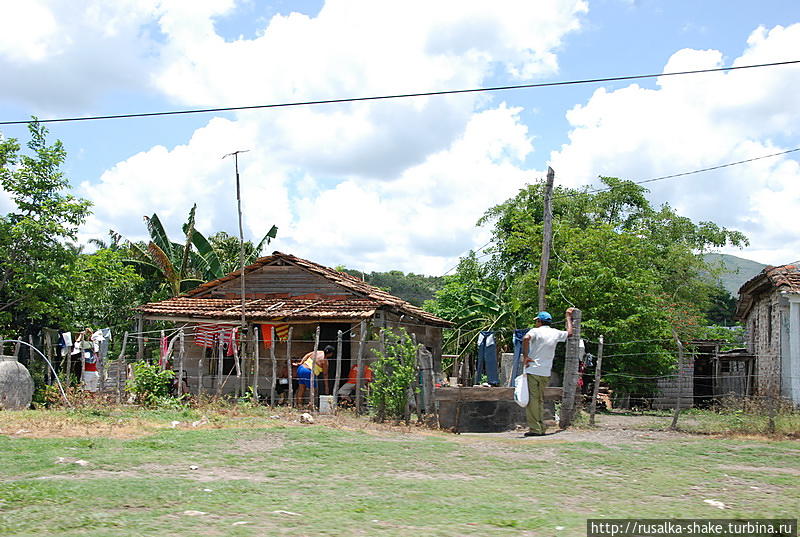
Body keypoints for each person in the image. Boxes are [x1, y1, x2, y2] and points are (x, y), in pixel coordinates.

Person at [521, 308, 574, 437]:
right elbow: (570, 333)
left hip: (533, 369)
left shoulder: (535, 331)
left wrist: (525, 356)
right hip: (545, 371)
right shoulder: (555, 333)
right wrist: (568, 317)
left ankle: (536, 428)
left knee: (532, 400)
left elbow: (525, 338)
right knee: (539, 399)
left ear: (539, 321)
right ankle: (540, 426)